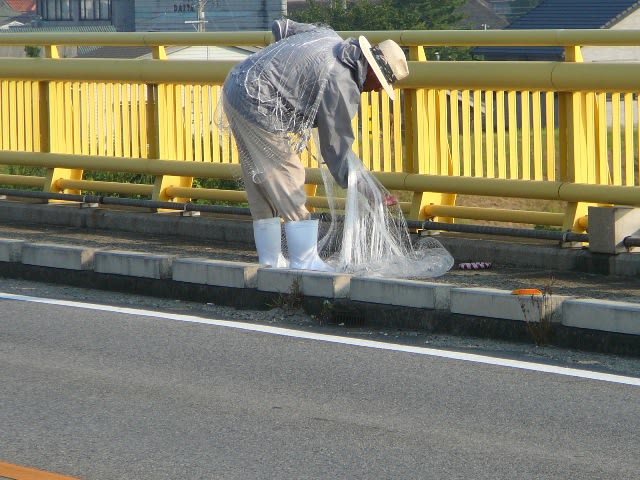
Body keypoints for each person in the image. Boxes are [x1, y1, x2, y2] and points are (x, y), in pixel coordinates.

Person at [222, 19, 409, 271]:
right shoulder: (341, 82)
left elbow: (282, 28)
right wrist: (365, 188)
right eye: (380, 86)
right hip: (259, 103)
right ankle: (304, 260)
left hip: (237, 85)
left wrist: (284, 70)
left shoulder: (329, 36)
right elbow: (335, 148)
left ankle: (270, 260)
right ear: (374, 71)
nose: (376, 91)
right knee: (288, 175)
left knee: (261, 179)